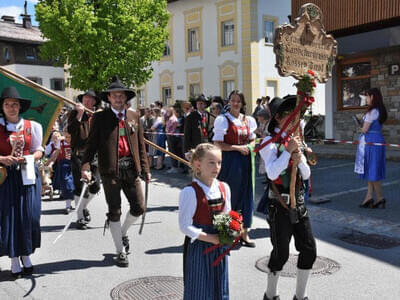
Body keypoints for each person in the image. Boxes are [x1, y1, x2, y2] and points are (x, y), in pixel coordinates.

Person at [81, 76, 150, 267]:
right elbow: (91, 143)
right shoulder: (100, 117)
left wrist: (145, 169)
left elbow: (140, 145)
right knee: (115, 211)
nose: (118, 98)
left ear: (125, 98)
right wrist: (85, 165)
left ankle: (122, 233)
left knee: (139, 207)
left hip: (131, 169)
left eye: (121, 95)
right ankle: (120, 251)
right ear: (109, 98)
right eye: (114, 95)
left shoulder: (134, 116)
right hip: (110, 171)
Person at [259, 96, 316, 300]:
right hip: (279, 204)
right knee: (281, 253)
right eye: (288, 115)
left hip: (298, 203)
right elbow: (273, 173)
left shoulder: (297, 139)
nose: (294, 119)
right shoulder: (268, 142)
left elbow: (307, 175)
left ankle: (301, 296)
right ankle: (271, 294)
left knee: (309, 250)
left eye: (295, 115)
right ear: (278, 119)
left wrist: (299, 158)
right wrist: (288, 153)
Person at [0, 86, 43, 278]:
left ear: (20, 107)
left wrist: (31, 157)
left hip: (28, 175)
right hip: (6, 178)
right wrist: (2, 158)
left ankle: (26, 253)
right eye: (7, 104)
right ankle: (15, 259)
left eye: (15, 104)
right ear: (2, 107)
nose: (11, 108)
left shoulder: (32, 126)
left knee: (30, 216)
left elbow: (39, 150)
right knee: (11, 218)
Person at [179, 143, 232, 299]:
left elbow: (227, 213)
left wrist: (230, 230)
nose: (216, 167)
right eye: (211, 162)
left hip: (219, 246)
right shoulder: (190, 192)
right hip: (200, 247)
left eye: (219, 162)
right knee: (199, 290)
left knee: (219, 288)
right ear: (197, 164)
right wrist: (211, 238)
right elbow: (184, 226)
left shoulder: (224, 187)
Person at [213, 90, 257, 247]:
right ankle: (227, 232)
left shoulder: (248, 120)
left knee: (246, 195)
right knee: (231, 195)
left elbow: (253, 140)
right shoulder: (222, 120)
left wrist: (248, 147)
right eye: (233, 100)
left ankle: (245, 232)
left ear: (243, 103)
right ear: (228, 102)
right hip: (230, 162)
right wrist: (238, 148)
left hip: (246, 161)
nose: (236, 103)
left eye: (238, 100)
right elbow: (218, 144)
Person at [67, 90, 101, 229]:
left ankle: (83, 207)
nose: (88, 101)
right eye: (86, 98)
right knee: (80, 187)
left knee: (96, 186)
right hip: (79, 155)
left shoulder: (98, 115)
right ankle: (80, 217)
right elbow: (70, 130)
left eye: (91, 99)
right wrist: (80, 115)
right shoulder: (74, 114)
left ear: (94, 102)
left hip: (94, 156)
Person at [355, 88, 387, 208]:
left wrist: (358, 124)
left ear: (372, 97)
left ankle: (379, 198)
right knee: (372, 169)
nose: (366, 99)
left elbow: (364, 129)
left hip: (370, 141)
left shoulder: (372, 111)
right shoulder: (379, 110)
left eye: (367, 96)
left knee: (372, 170)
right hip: (377, 139)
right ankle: (370, 197)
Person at [45, 129, 75, 214]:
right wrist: (49, 162)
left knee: (76, 185)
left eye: (70, 137)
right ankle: (68, 205)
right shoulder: (60, 143)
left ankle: (79, 205)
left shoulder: (75, 142)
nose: (68, 139)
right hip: (64, 165)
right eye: (66, 136)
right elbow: (56, 153)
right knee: (67, 184)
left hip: (74, 164)